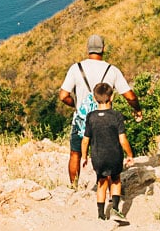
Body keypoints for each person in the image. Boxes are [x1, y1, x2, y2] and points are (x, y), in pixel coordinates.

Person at [59, 34, 141, 188]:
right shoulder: (112, 70)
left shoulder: (76, 68)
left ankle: (74, 187)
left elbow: (63, 95)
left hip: (81, 120)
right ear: (103, 49)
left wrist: (76, 105)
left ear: (88, 49)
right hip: (105, 121)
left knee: (75, 154)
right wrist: (137, 110)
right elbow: (130, 96)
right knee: (108, 154)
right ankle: (110, 191)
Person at [81, 83, 134, 219]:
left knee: (101, 182)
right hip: (114, 155)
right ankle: (115, 208)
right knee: (116, 180)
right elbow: (122, 140)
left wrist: (84, 156)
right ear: (112, 97)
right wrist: (129, 155)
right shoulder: (116, 116)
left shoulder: (91, 117)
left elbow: (85, 140)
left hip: (98, 156)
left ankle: (100, 214)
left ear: (94, 98)